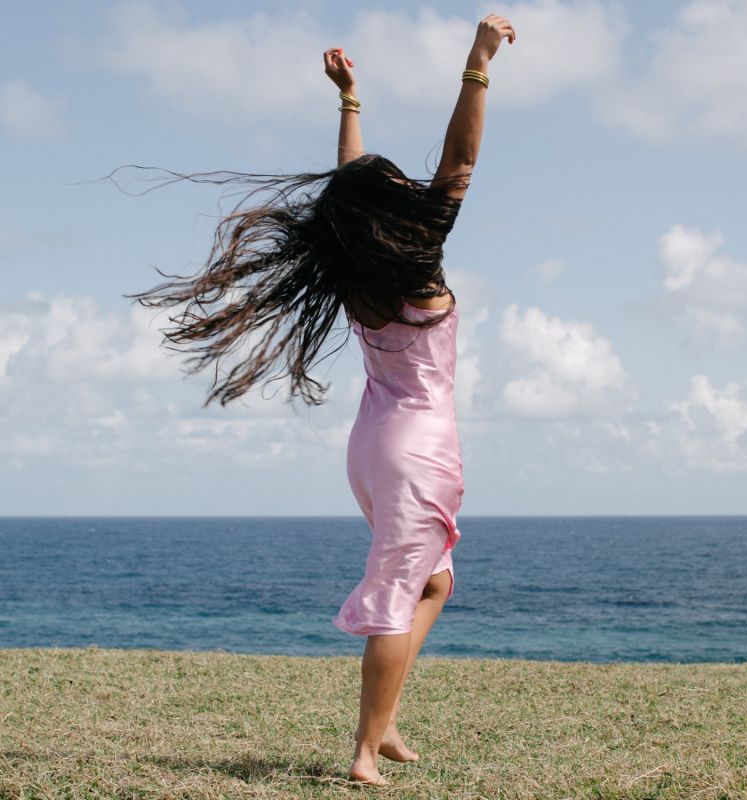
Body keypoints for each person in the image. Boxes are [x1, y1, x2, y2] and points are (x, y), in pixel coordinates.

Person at [123, 12, 515, 788]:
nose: (410, 186)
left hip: (371, 448)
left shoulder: (354, 270)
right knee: (401, 596)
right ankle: (365, 752)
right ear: (396, 212)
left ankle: (386, 720)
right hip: (416, 451)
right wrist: (478, 58)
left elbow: (354, 185)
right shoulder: (420, 265)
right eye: (399, 186)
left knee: (433, 581)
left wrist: (349, 100)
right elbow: (461, 158)